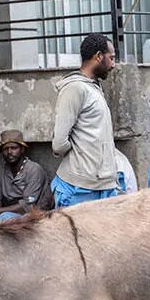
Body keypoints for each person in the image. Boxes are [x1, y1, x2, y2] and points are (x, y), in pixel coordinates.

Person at [52, 34, 120, 208]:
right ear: (98, 56)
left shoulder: (93, 87)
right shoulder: (75, 88)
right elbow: (59, 143)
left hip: (104, 186)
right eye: (111, 58)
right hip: (79, 190)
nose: (113, 64)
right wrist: (80, 153)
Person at [0, 130, 54, 221]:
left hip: (35, 217)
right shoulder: (1, 171)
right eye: (6, 149)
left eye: (14, 148)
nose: (9, 152)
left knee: (4, 218)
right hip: (8, 214)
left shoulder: (34, 169)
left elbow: (28, 205)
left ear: (22, 149)